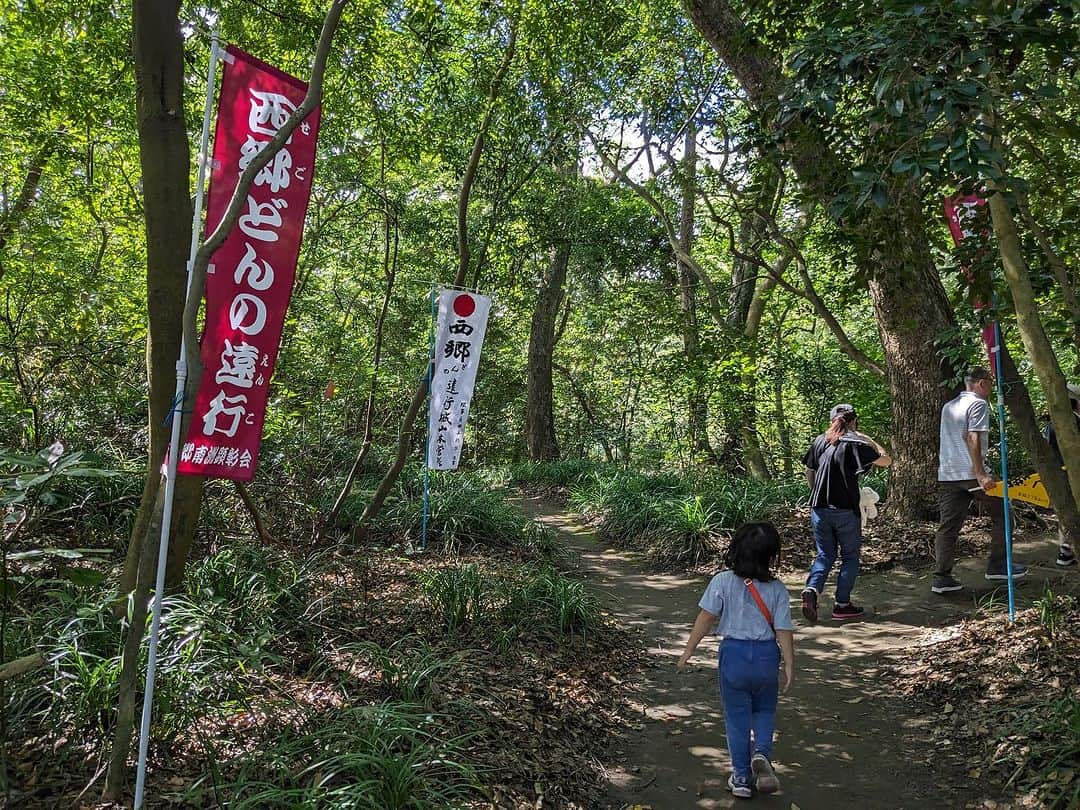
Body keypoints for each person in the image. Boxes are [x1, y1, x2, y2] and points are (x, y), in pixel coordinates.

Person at [677, 522, 794, 799]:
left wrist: (688, 651)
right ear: (771, 555)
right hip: (767, 656)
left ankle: (741, 777)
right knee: (764, 710)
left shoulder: (722, 581)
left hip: (734, 656)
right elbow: (784, 630)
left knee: (736, 717)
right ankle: (762, 754)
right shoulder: (777, 589)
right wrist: (789, 664)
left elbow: (706, 618)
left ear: (736, 549)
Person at [932, 366, 1028, 594]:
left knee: (948, 527)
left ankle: (941, 577)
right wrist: (981, 473)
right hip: (971, 474)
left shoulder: (949, 406)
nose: (991, 388)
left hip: (948, 474)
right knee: (1003, 514)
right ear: (981, 383)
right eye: (990, 383)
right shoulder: (978, 404)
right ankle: (998, 565)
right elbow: (972, 437)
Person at [799, 403, 892, 623]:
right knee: (850, 557)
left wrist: (816, 494)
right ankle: (842, 605)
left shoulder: (820, 441)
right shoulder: (856, 443)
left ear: (832, 420)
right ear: (853, 421)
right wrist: (867, 437)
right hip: (845, 510)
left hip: (819, 509)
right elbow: (886, 460)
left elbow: (809, 470)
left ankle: (812, 590)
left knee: (825, 554)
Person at [1045, 382, 1080, 567]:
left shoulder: (1051, 425)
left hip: (1057, 475)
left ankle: (1065, 552)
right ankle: (1067, 551)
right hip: (1071, 476)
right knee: (1072, 513)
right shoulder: (1074, 423)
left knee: (1065, 513)